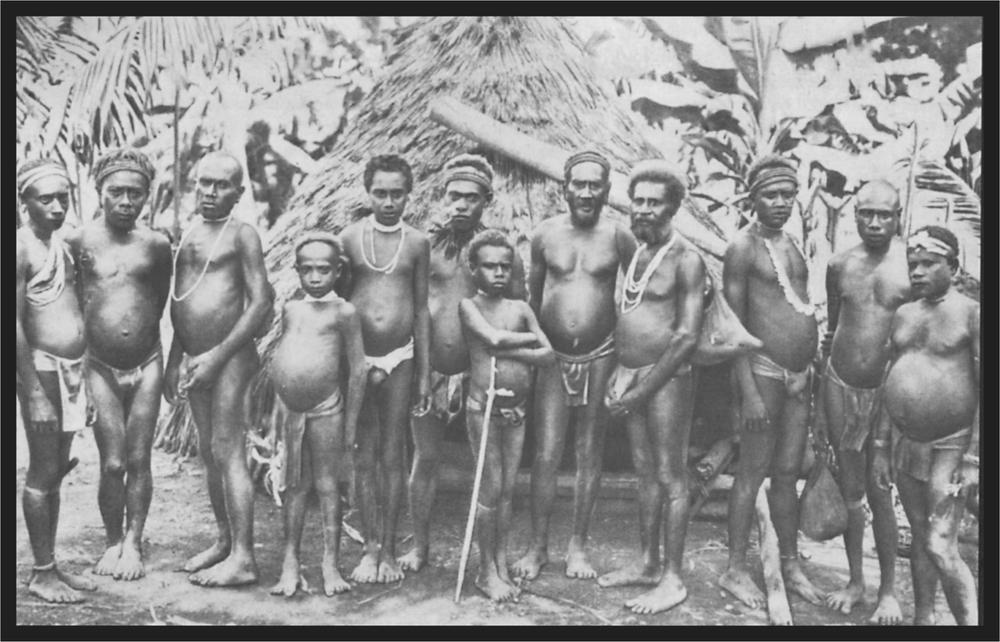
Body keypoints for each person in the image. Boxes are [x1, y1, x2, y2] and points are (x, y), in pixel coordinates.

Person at [513, 149, 637, 581]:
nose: (586, 192)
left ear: (606, 189)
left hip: (602, 354)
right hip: (552, 356)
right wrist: (534, 352)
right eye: (578, 184)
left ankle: (578, 547)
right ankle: (537, 546)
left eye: (594, 184)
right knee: (546, 453)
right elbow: (530, 299)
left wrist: (626, 359)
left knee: (589, 452)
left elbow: (636, 299)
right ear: (564, 187)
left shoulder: (620, 237)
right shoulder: (544, 234)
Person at [399, 154, 526, 573]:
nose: (460, 206)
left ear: (486, 201)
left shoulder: (498, 256)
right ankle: (419, 547)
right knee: (426, 457)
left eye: (471, 198)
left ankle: (493, 561)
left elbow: (516, 312)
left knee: (490, 471)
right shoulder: (424, 247)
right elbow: (413, 309)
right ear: (442, 196)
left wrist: (510, 378)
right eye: (454, 196)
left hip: (481, 373)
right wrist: (420, 373)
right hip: (430, 371)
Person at [597, 161, 707, 614]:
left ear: (673, 208)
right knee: (644, 473)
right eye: (637, 201)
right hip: (633, 375)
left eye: (653, 202)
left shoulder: (688, 259)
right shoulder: (638, 251)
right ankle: (647, 562)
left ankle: (673, 578)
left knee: (670, 475)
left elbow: (685, 337)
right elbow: (632, 317)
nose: (642, 209)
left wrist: (642, 391)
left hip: (668, 380)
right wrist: (620, 373)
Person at [718, 155, 824, 611]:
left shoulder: (792, 242)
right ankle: (735, 569)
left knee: (787, 473)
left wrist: (808, 365)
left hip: (799, 376)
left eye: (787, 195)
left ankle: (790, 562)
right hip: (762, 373)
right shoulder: (743, 248)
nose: (780, 203)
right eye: (770, 195)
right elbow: (731, 327)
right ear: (753, 197)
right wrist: (749, 394)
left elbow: (799, 308)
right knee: (752, 473)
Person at [164, 150, 274, 587]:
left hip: (229, 359)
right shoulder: (190, 232)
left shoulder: (242, 234)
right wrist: (177, 358)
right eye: (203, 183)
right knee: (210, 454)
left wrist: (217, 355)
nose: (210, 192)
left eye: (221, 185)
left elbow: (262, 302)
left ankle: (245, 556)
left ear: (238, 192)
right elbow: (181, 302)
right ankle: (225, 541)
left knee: (229, 452)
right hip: (196, 362)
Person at [68, 148, 172, 582]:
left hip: (146, 363)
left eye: (135, 193)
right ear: (100, 192)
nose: (126, 201)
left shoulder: (157, 244)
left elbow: (162, 302)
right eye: (117, 192)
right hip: (99, 365)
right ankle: (112, 540)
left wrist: (165, 362)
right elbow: (72, 304)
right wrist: (76, 372)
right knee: (113, 462)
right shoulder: (79, 242)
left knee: (140, 457)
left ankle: (133, 541)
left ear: (148, 196)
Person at [873, 225, 979, 626]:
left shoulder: (972, 312)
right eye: (913, 264)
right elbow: (889, 378)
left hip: (951, 445)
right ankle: (924, 619)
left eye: (929, 263)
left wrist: (974, 456)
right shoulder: (904, 314)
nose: (917, 272)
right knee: (919, 534)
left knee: (939, 542)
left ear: (953, 265)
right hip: (906, 442)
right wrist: (882, 445)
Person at [818, 180, 908, 623]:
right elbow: (833, 330)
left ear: (898, 216)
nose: (874, 222)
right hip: (839, 383)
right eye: (866, 213)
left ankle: (888, 591)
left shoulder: (913, 266)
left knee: (880, 489)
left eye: (884, 214)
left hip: (886, 395)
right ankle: (856, 582)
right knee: (851, 489)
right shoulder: (839, 264)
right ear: (855, 215)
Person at [339, 154, 431, 584]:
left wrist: (426, 372)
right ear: (367, 192)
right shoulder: (349, 239)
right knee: (363, 453)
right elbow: (338, 306)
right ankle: (370, 546)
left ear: (409, 194)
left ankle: (391, 548)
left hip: (401, 357)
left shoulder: (417, 243)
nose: (389, 201)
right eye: (381, 193)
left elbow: (422, 310)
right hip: (358, 358)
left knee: (394, 452)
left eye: (397, 193)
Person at [16, 159, 98, 603]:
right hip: (42, 372)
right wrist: (32, 393)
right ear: (23, 202)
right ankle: (41, 572)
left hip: (68, 370)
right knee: (43, 470)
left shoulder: (62, 246)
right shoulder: (20, 247)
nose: (56, 206)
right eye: (45, 198)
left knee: (57, 471)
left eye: (62, 198)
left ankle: (51, 565)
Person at [268, 233, 367, 597]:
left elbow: (358, 370)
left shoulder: (344, 312)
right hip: (293, 411)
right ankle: (290, 562)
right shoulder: (291, 308)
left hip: (328, 410)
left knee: (327, 486)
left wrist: (350, 425)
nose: (314, 277)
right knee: (294, 485)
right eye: (306, 270)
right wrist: (280, 406)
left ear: (337, 271)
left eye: (323, 270)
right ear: (296, 271)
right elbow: (284, 357)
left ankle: (330, 562)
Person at [459, 230, 554, 601]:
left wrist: (518, 349)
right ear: (474, 269)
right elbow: (492, 339)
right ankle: (484, 571)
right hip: (483, 409)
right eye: (489, 266)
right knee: (491, 488)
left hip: (515, 412)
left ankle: (499, 563)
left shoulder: (521, 308)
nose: (498, 273)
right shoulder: (469, 306)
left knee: (508, 490)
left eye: (504, 266)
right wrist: (527, 341)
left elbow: (547, 356)